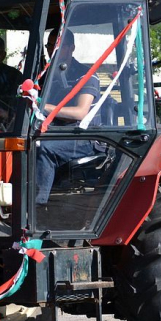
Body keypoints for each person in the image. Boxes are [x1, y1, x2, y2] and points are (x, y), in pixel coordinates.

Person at [36, 28, 102, 206]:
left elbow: (80, 113)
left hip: (85, 137)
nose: (53, 50)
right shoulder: (46, 76)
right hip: (57, 132)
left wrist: (44, 107)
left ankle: (34, 209)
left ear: (71, 48)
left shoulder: (86, 75)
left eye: (58, 45)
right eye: (50, 45)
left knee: (43, 149)